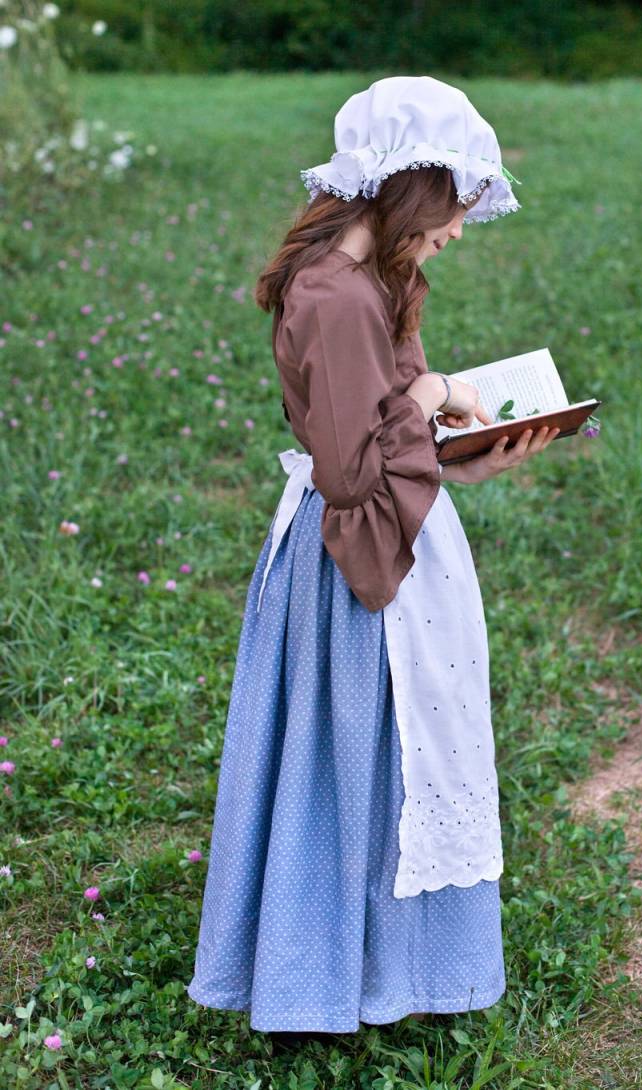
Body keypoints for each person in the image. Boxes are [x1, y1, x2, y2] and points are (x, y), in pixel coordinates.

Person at [186, 75, 559, 1038]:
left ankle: (382, 960)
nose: (458, 231)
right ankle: (336, 974)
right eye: (453, 210)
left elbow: (384, 440)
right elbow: (353, 476)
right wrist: (435, 395)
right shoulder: (337, 296)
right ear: (410, 189)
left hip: (397, 539)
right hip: (352, 568)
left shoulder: (372, 283)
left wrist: (463, 454)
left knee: (382, 755)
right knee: (350, 752)